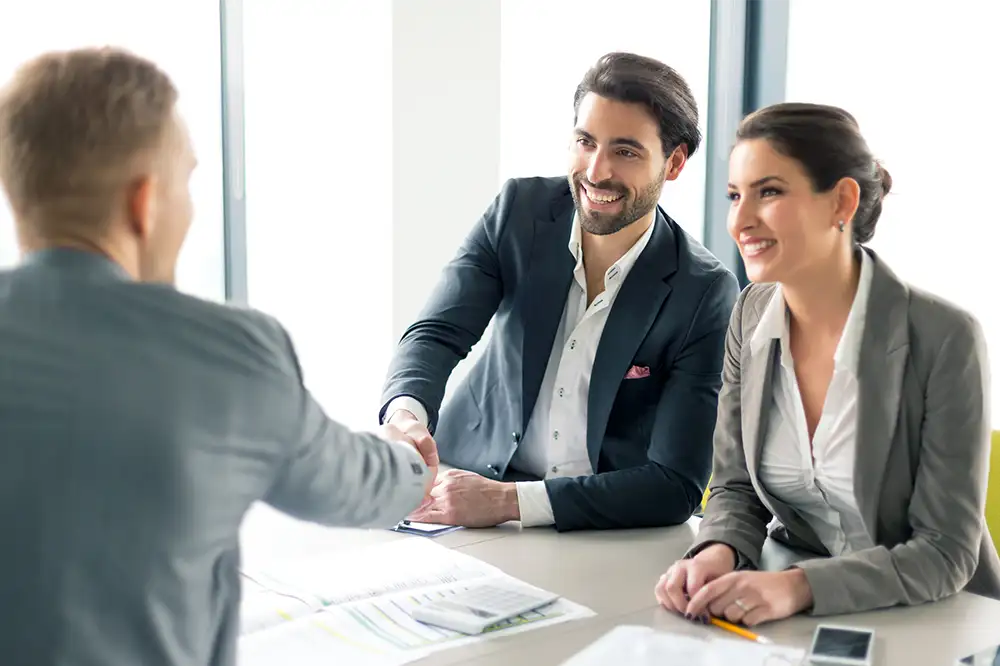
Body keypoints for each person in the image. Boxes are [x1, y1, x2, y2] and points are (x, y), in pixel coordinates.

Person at [0, 47, 438, 665]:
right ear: (144, 203)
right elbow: (352, 487)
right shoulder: (227, 353)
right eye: (187, 181)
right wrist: (412, 462)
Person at [654, 102, 1000, 625]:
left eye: (768, 192)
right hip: (796, 620)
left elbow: (945, 552)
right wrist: (716, 551)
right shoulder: (750, 315)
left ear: (841, 200)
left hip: (933, 620)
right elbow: (734, 487)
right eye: (734, 196)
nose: (740, 220)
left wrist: (797, 588)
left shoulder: (943, 337)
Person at [380, 52, 739, 531]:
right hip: (461, 486)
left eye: (625, 151)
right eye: (585, 142)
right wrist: (405, 415)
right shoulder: (518, 213)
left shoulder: (703, 291)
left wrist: (511, 502)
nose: (596, 171)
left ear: (673, 163)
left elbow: (676, 485)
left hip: (594, 524)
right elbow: (436, 332)